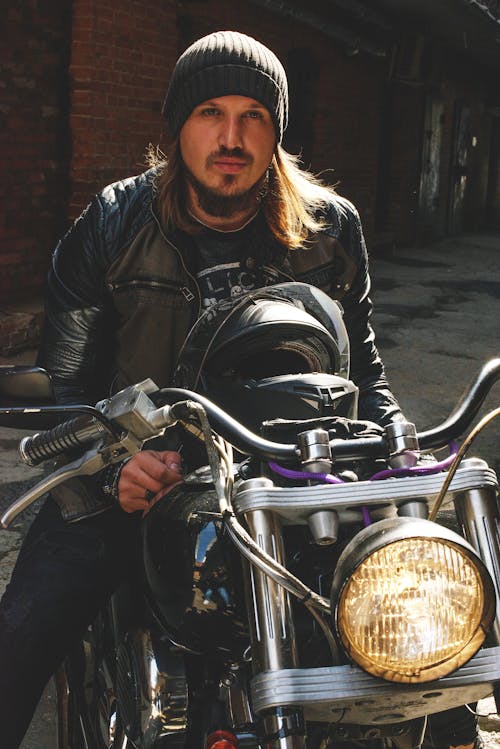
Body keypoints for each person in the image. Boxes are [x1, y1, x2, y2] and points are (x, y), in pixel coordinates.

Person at [0, 30, 481, 749]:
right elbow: (69, 385)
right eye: (210, 113)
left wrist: (403, 454)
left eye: (253, 115)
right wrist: (115, 465)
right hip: (137, 475)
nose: (231, 136)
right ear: (178, 126)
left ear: (276, 130)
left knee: (434, 653)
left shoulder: (329, 229)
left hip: (284, 475)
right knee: (24, 632)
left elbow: (364, 374)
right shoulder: (111, 224)